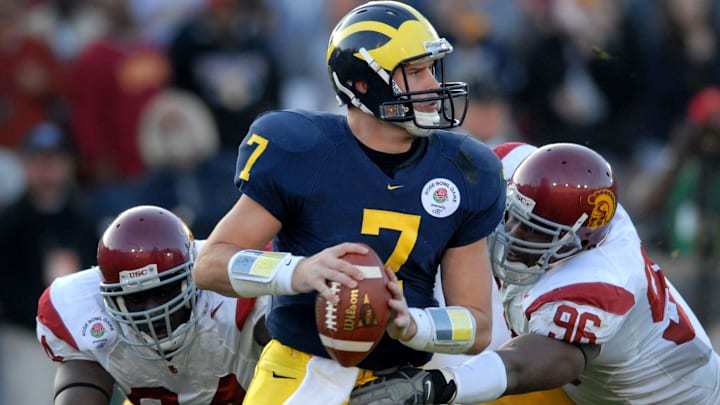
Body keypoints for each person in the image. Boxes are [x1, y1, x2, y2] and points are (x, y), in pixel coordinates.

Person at [192, 1, 506, 403]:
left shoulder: (465, 168)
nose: (431, 83)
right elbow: (210, 263)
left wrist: (416, 325)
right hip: (301, 370)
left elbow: (478, 326)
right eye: (414, 71)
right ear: (362, 84)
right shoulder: (300, 149)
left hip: (407, 381)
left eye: (430, 68)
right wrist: (298, 271)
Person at [349, 142, 720, 404]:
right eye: (515, 217)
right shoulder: (523, 168)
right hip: (586, 390)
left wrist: (441, 385)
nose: (512, 234)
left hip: (661, 398)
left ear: (578, 239)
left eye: (533, 229)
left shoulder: (602, 279)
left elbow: (535, 364)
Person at [36, 205, 269, 404]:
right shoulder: (83, 308)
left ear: (191, 276)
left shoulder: (233, 283)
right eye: (136, 298)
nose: (153, 311)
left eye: (163, 291)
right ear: (110, 296)